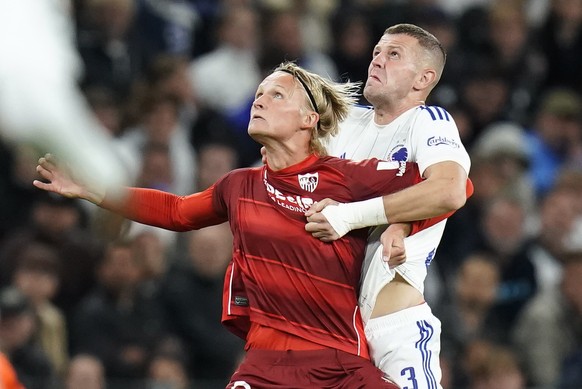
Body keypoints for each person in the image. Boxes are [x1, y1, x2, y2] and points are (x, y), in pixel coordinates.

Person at [31, 61, 447, 388]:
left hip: (339, 363)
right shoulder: (239, 185)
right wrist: (95, 189)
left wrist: (396, 223)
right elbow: (177, 212)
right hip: (266, 366)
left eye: (276, 94)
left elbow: (449, 188)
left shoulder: (347, 177)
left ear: (309, 119)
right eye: (259, 94)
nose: (259, 100)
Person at [304, 24, 471, 389]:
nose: (377, 60)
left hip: (392, 329)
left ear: (424, 78)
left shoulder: (427, 122)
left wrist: (351, 215)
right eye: (377, 52)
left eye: (393, 54)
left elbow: (450, 189)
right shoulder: (344, 123)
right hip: (331, 330)